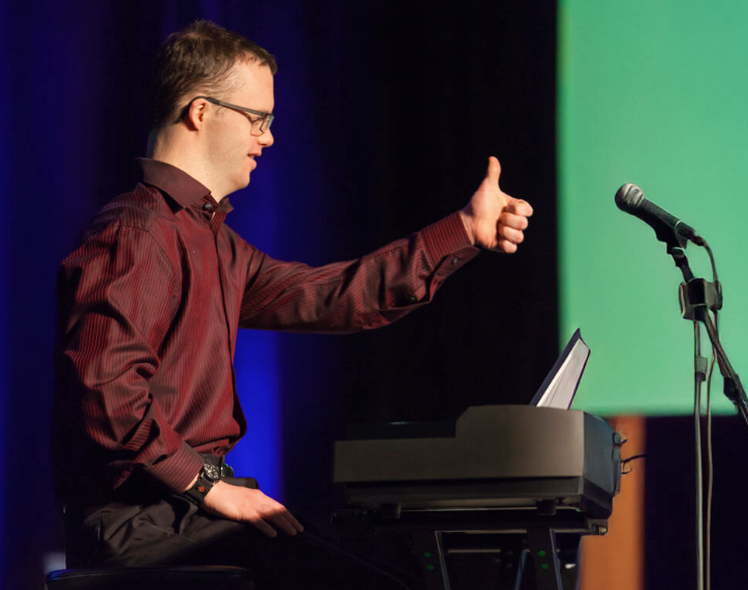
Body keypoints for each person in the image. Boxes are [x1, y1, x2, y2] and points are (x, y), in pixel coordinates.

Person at [53, 19, 533, 589]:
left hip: (188, 513)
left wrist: (461, 231)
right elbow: (108, 398)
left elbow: (333, 295)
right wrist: (209, 486)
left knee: (394, 566)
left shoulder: (213, 242)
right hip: (143, 528)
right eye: (258, 119)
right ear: (200, 112)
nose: (268, 138)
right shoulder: (134, 233)